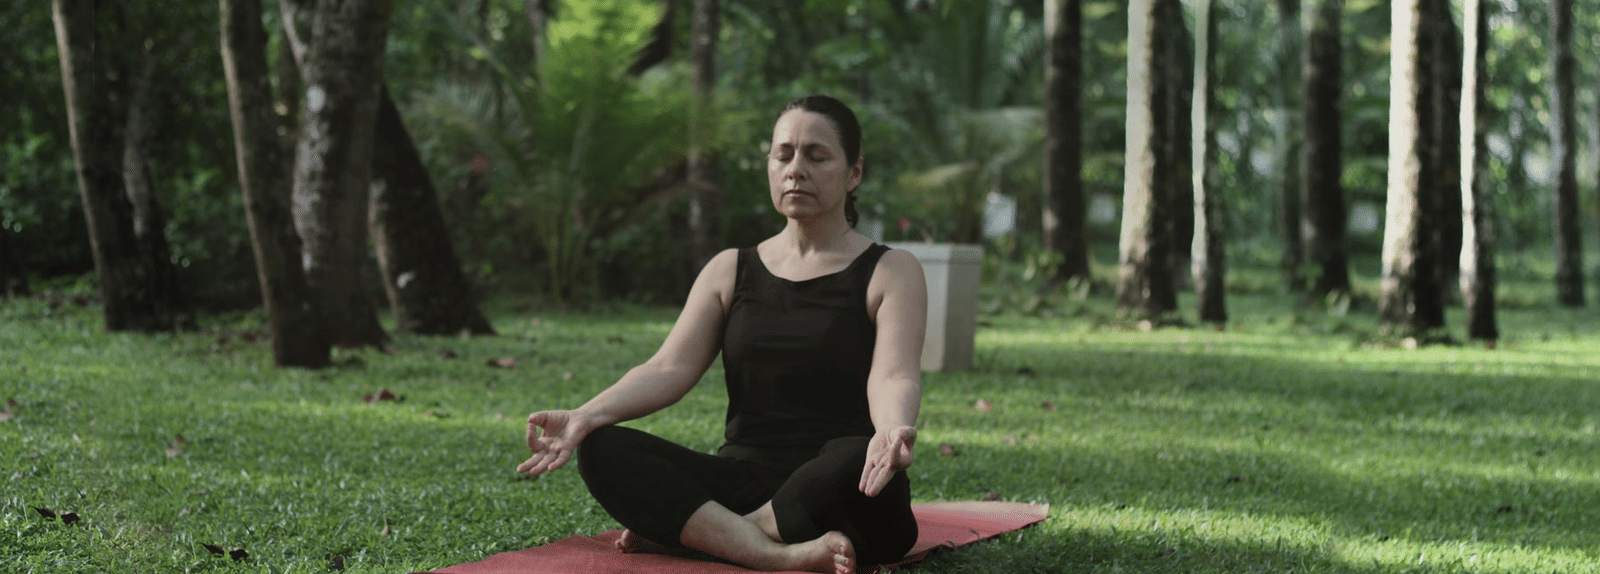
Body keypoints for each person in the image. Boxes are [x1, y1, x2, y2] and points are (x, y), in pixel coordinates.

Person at [516, 94, 928, 574]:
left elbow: (894, 374)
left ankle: (712, 537)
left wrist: (892, 429)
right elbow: (667, 368)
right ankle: (770, 553)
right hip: (741, 478)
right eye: (784, 154)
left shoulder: (891, 270)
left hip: (840, 485)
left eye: (817, 156)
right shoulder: (731, 268)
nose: (796, 169)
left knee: (857, 453)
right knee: (604, 448)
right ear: (770, 167)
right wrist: (585, 416)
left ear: (853, 173)